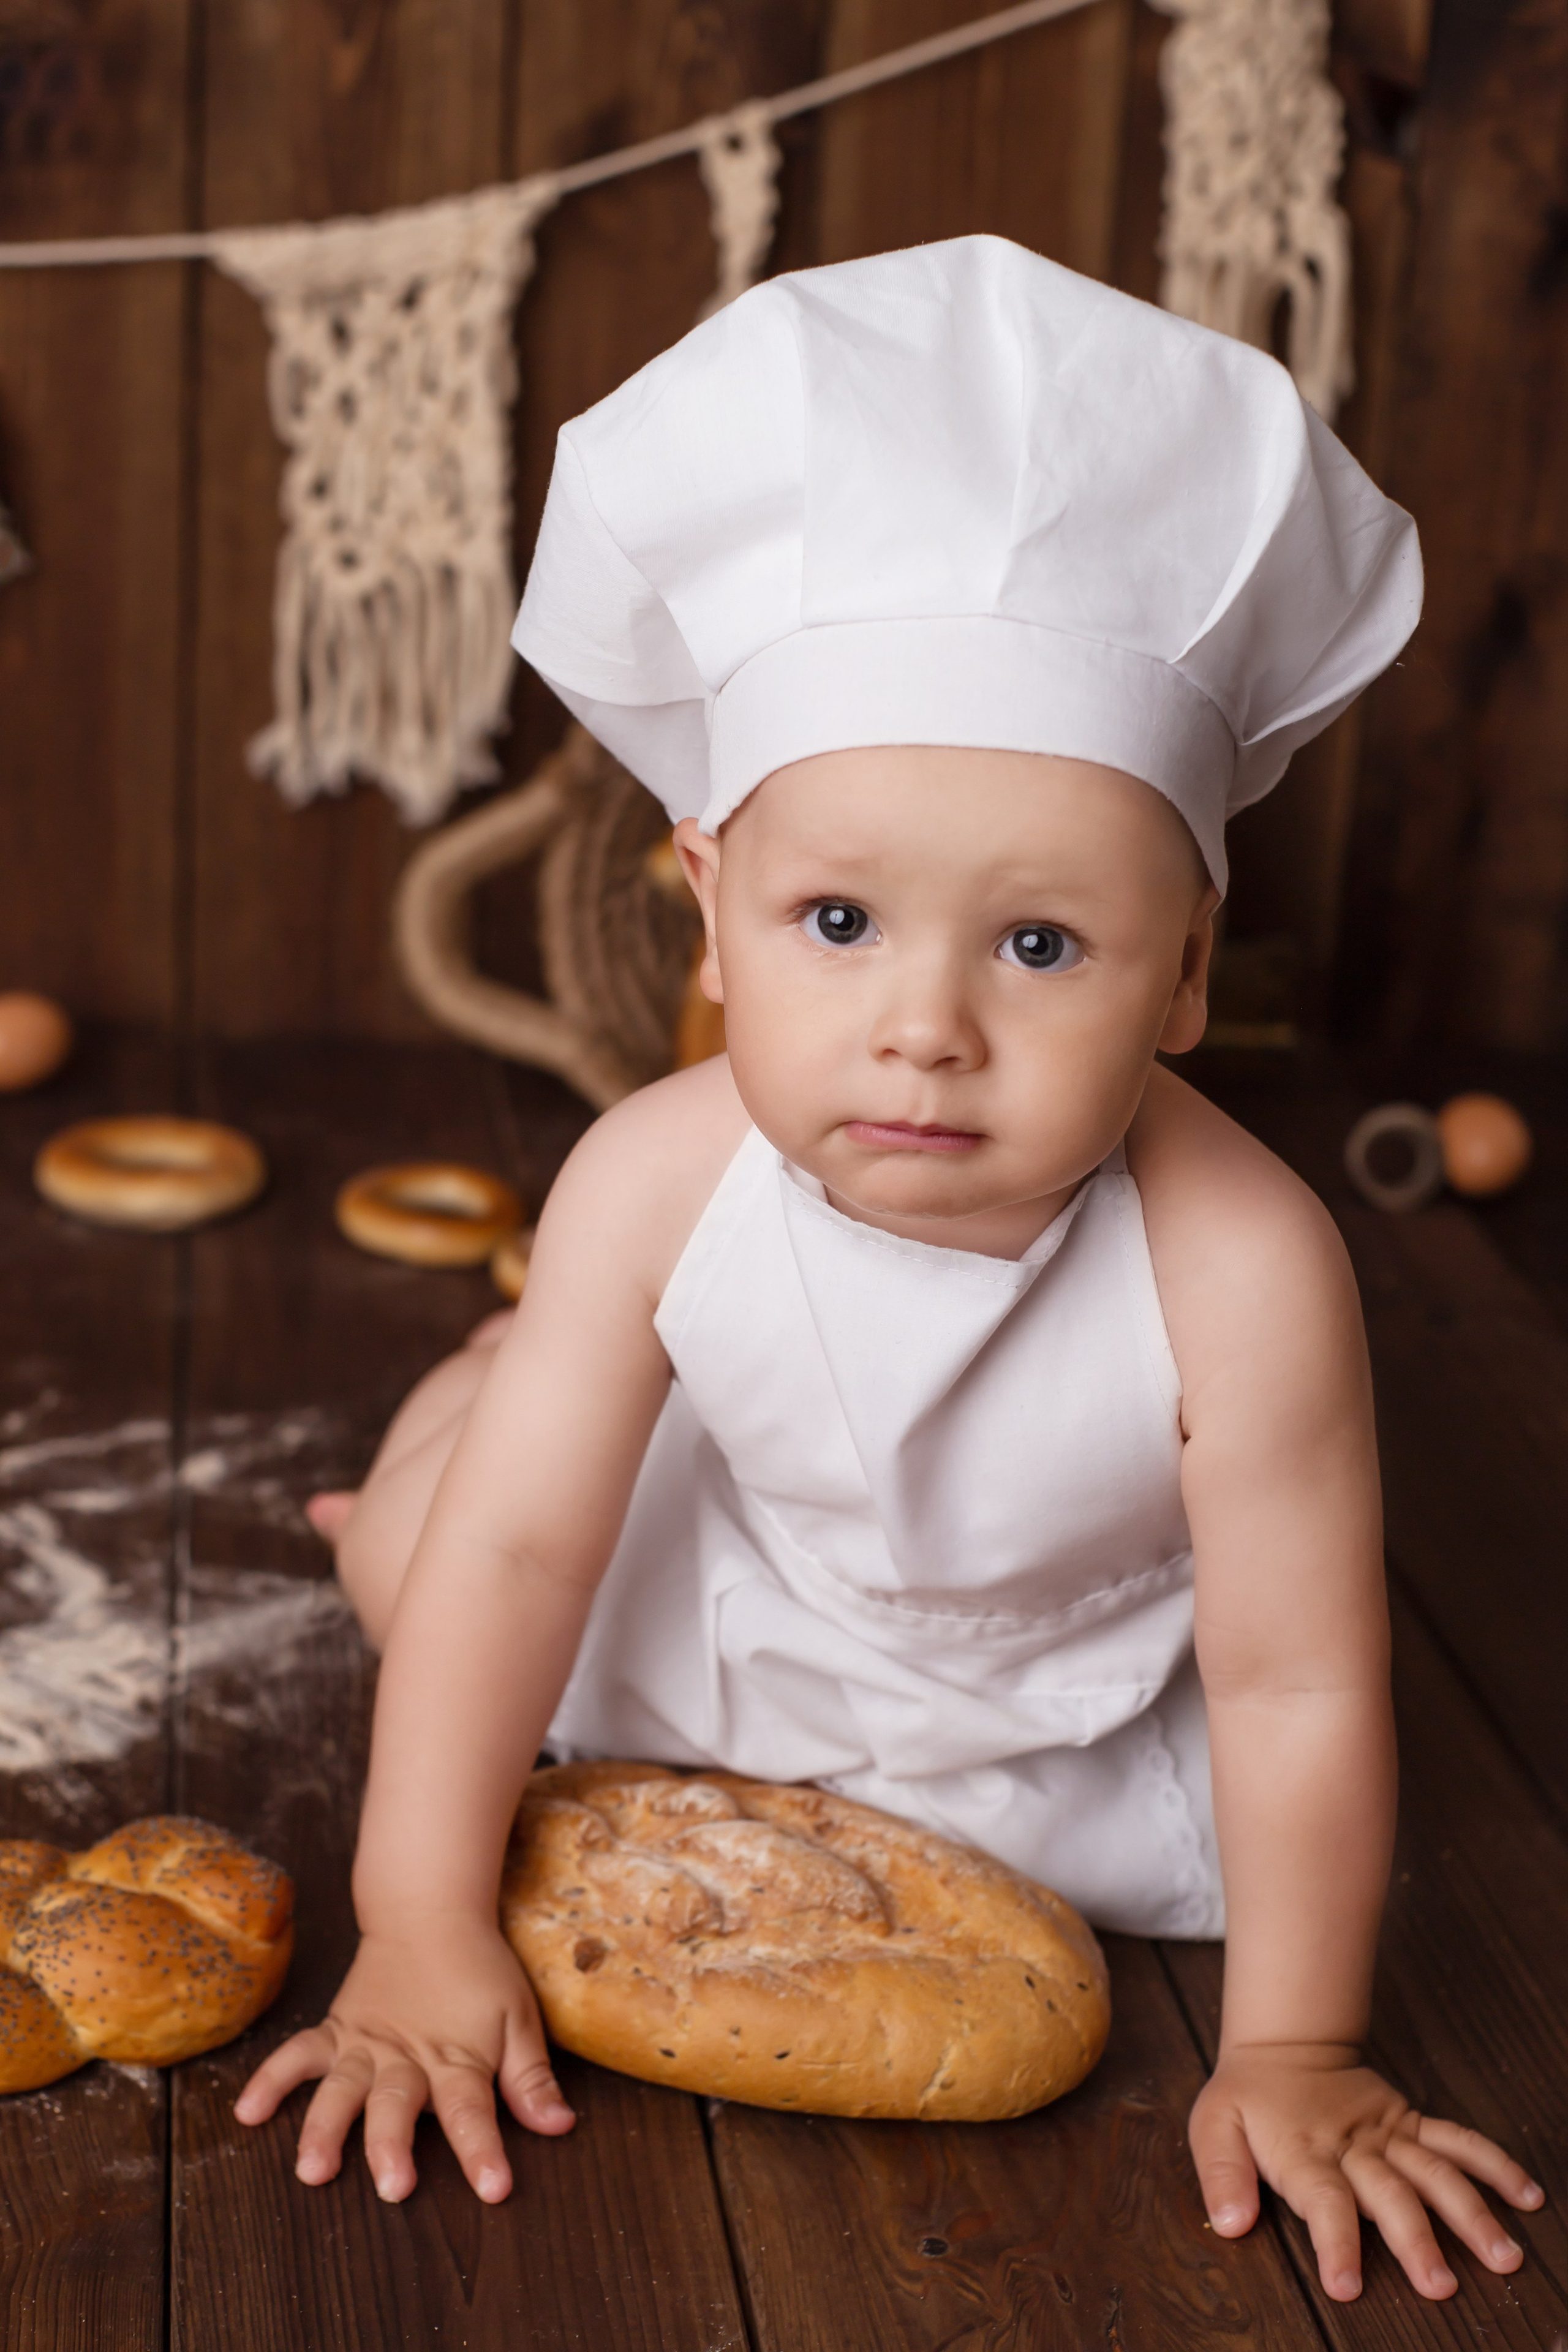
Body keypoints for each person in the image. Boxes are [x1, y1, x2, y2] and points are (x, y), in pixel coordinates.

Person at [235, 237, 1543, 2300]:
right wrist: (417, 1919)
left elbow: (1294, 1679)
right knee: (429, 1552)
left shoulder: (1251, 1264)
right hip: (764, 1594)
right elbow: (515, 1580)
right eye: (837, 923)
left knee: (1135, 1866)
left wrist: (1299, 2049)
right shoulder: (659, 1174)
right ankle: (493, 1392)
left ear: (1189, 966)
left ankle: (535, 1386)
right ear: (709, 906)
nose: (927, 1028)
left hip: (1067, 1702)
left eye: (1043, 946)